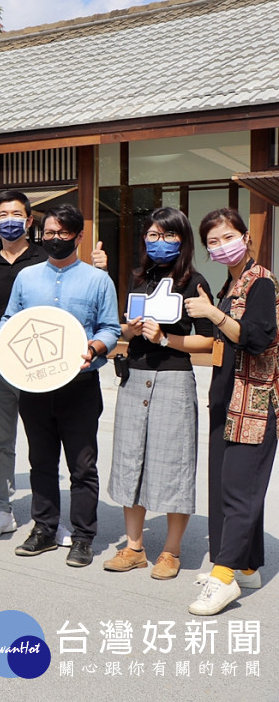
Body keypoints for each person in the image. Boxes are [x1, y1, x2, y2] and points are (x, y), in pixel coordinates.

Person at [0, 204, 120, 568]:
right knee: (41, 461)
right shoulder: (27, 278)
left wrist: (94, 347)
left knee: (82, 465)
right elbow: (10, 319)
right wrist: (2, 346)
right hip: (34, 385)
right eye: (48, 233)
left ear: (79, 237)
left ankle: (83, 537)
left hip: (80, 383)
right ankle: (44, 529)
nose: (54, 239)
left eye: (62, 234)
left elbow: (110, 329)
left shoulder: (99, 281)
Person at [103, 208, 214, 579]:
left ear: (182, 239)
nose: (159, 242)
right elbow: (124, 327)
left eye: (167, 236)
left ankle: (171, 551)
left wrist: (166, 338)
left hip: (173, 378)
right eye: (152, 235)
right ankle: (134, 547)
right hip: (135, 376)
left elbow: (208, 341)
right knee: (130, 460)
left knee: (174, 464)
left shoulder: (195, 282)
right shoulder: (140, 279)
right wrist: (131, 331)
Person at [183, 208, 278, 615]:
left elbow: (256, 339)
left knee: (240, 489)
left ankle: (223, 578)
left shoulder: (262, 282)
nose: (222, 246)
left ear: (246, 237)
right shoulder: (231, 284)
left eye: (228, 237)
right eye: (213, 242)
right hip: (227, 398)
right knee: (227, 486)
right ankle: (247, 566)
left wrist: (213, 313)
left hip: (254, 402)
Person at [0, 191, 47, 539]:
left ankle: (49, 514)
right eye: (2, 215)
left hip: (40, 366)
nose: (9, 220)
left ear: (29, 221)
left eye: (17, 214)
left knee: (44, 441)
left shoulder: (47, 260)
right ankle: (2, 509)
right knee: (1, 441)